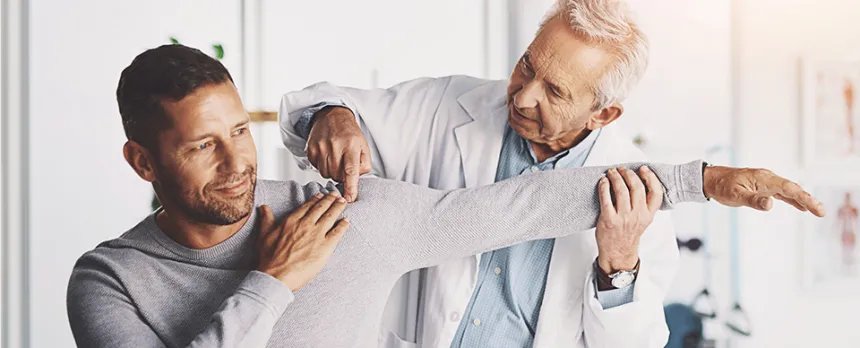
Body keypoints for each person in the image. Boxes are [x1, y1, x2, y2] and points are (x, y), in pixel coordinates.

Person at [66, 44, 823, 348]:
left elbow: (517, 204)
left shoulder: (339, 215)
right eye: (203, 145)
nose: (237, 162)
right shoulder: (108, 281)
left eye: (240, 131)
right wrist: (273, 282)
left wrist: (707, 181)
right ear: (142, 161)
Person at [279, 1, 819, 347]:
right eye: (527, 66)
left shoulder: (636, 192)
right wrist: (335, 117)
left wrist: (620, 264)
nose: (522, 94)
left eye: (554, 90)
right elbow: (318, 103)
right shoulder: (449, 106)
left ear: (603, 114)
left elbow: (634, 344)